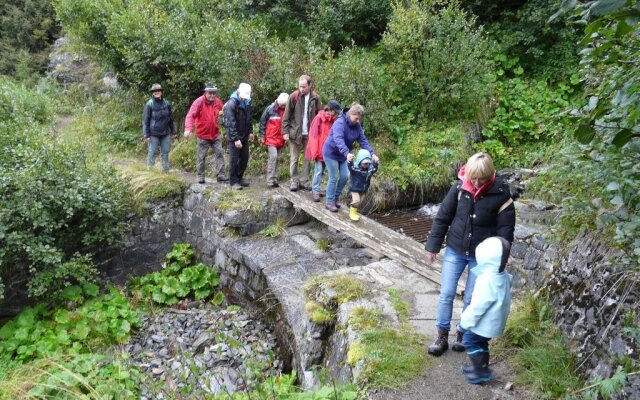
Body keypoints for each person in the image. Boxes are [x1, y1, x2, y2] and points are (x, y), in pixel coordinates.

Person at [424, 152, 515, 356]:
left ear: (489, 175)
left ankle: (462, 333)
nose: (475, 182)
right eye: (472, 177)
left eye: (480, 179)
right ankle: (441, 336)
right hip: (455, 249)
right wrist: (433, 246)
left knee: (472, 298)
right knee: (446, 293)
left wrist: (500, 262)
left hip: (481, 258)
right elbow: (443, 217)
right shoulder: (459, 187)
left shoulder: (501, 195)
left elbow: (505, 233)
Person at [459, 236, 512, 384]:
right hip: (496, 320)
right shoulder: (503, 274)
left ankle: (481, 371)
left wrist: (464, 323)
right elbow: (510, 282)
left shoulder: (487, 280)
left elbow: (478, 306)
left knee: (469, 340)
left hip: (485, 322)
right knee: (481, 343)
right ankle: (481, 367)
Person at [322, 103, 378, 213]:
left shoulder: (357, 126)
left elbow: (363, 141)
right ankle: (329, 202)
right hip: (331, 153)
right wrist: (347, 153)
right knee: (334, 177)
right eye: (356, 118)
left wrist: (372, 154)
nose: (358, 121)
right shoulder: (340, 123)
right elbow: (338, 140)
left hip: (344, 155)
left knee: (345, 175)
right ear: (351, 114)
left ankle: (335, 197)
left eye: (359, 119)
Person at [282, 75, 322, 192]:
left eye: (304, 87)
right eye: (300, 86)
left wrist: (319, 133)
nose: (301, 89)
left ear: (310, 85)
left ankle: (304, 180)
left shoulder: (316, 98)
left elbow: (320, 116)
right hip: (295, 133)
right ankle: (294, 180)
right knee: (294, 158)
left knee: (307, 158)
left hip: (310, 134)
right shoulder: (293, 97)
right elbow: (286, 116)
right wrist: (285, 131)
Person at [184, 83, 227, 184]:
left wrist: (223, 119)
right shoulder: (199, 102)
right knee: (201, 156)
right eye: (210, 93)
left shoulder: (218, 102)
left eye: (214, 93)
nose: (212, 95)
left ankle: (220, 175)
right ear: (205, 92)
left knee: (219, 153)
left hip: (215, 133)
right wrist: (188, 129)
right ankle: (200, 176)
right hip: (203, 134)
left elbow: (224, 112)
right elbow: (190, 115)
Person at [305, 100, 342, 202]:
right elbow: (313, 136)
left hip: (329, 152)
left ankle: (318, 189)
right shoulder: (318, 118)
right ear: (330, 109)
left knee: (324, 172)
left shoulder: (334, 121)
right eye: (335, 111)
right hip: (319, 150)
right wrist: (314, 152)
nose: (336, 114)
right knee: (318, 170)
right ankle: (315, 190)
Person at [223, 83, 254, 190]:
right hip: (234, 137)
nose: (244, 98)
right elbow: (230, 123)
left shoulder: (247, 102)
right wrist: (236, 139)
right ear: (239, 92)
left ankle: (239, 178)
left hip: (244, 135)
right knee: (234, 160)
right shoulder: (231, 104)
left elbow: (249, 118)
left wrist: (251, 131)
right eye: (243, 96)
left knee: (244, 159)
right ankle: (233, 181)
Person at [142, 83, 177, 172]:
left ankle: (165, 171)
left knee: (165, 152)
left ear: (161, 92)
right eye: (155, 91)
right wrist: (146, 135)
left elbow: (170, 119)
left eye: (159, 91)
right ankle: (150, 172)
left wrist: (173, 131)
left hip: (165, 132)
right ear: (153, 93)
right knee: (152, 152)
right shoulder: (149, 104)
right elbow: (145, 120)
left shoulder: (167, 103)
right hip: (153, 133)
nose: (157, 92)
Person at [259, 92, 289, 187]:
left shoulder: (287, 111)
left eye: (285, 105)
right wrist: (262, 135)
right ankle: (270, 180)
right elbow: (262, 122)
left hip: (281, 139)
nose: (283, 106)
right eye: (282, 105)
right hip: (270, 137)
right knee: (273, 157)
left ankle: (274, 178)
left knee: (277, 158)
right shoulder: (270, 109)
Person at [347, 149, 378, 221]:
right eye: (364, 163)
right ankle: (352, 213)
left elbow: (374, 169)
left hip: (364, 189)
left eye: (367, 163)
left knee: (360, 201)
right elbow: (350, 167)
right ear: (360, 161)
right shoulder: (355, 168)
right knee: (356, 200)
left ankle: (354, 211)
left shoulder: (370, 168)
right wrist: (350, 161)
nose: (366, 165)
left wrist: (376, 163)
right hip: (355, 188)